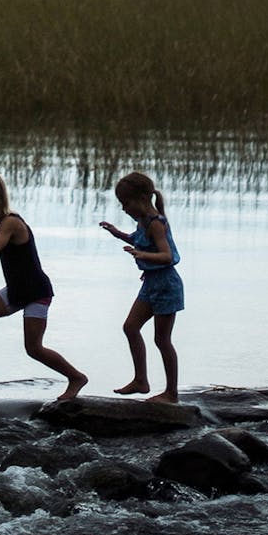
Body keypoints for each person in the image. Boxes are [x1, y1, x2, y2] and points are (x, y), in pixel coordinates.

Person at [0, 174, 89, 400]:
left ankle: (76, 377)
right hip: (17, 289)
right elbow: (3, 238)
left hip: (37, 293)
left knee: (34, 348)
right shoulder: (5, 223)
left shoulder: (11, 221)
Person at [99, 171, 183, 403]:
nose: (124, 208)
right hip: (151, 283)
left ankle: (171, 393)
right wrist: (118, 234)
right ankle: (141, 380)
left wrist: (141, 254)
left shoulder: (156, 224)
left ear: (141, 200)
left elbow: (167, 256)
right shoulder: (142, 222)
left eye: (126, 203)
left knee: (162, 339)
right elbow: (138, 240)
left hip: (166, 285)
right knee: (130, 327)